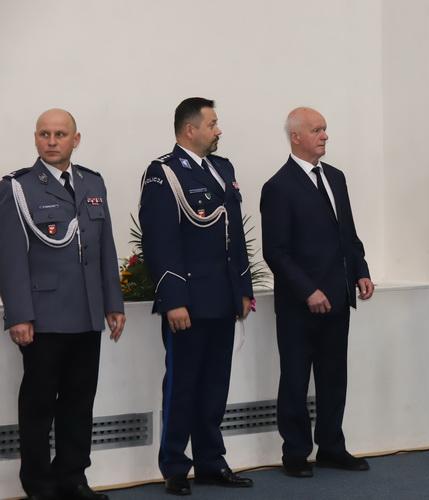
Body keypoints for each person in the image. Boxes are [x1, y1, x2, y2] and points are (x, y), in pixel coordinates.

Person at [0, 109, 125, 500]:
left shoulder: (92, 182)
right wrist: (19, 314)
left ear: (76, 139)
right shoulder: (18, 188)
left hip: (87, 314)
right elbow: (10, 257)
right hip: (44, 317)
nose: (51, 141)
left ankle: (73, 476)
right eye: (44, 134)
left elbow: (105, 249)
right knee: (38, 405)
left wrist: (113, 303)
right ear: (36, 138)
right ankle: (39, 485)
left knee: (79, 402)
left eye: (60, 134)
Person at [139, 97, 255, 495]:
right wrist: (173, 299)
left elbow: (235, 236)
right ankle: (174, 466)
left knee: (215, 386)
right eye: (212, 124)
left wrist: (243, 289)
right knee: (182, 385)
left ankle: (210, 461)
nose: (218, 130)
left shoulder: (223, 169)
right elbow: (160, 241)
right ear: (191, 130)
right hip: (188, 299)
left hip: (221, 297)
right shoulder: (164, 174)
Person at [260, 107, 374, 478]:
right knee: (295, 379)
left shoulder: (335, 178)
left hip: (338, 298)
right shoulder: (278, 187)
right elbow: (276, 251)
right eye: (316, 130)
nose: (324, 136)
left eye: (325, 129)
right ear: (296, 137)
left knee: (333, 377)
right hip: (299, 305)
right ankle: (295, 453)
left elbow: (348, 234)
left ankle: (331, 447)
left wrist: (361, 271)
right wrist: (308, 290)